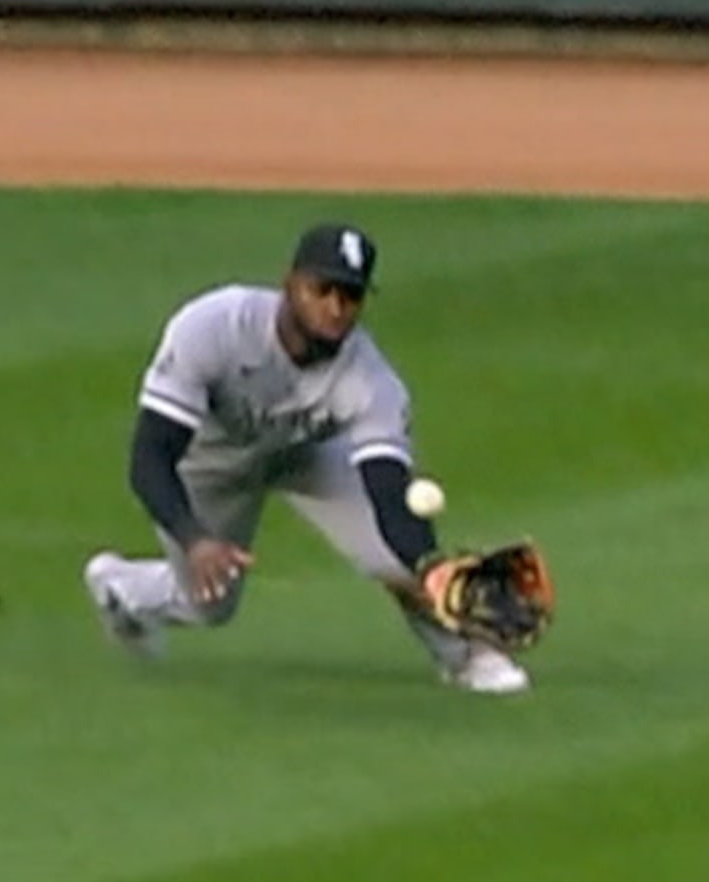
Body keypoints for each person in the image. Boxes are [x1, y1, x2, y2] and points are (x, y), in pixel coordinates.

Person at [79, 221, 531, 694]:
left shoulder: (370, 381)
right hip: (210, 465)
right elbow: (150, 457)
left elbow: (388, 489)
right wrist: (194, 540)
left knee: (397, 562)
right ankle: (121, 587)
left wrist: (429, 564)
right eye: (323, 290)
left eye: (350, 296)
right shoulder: (215, 328)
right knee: (209, 606)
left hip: (305, 455)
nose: (336, 308)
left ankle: (466, 655)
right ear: (291, 283)